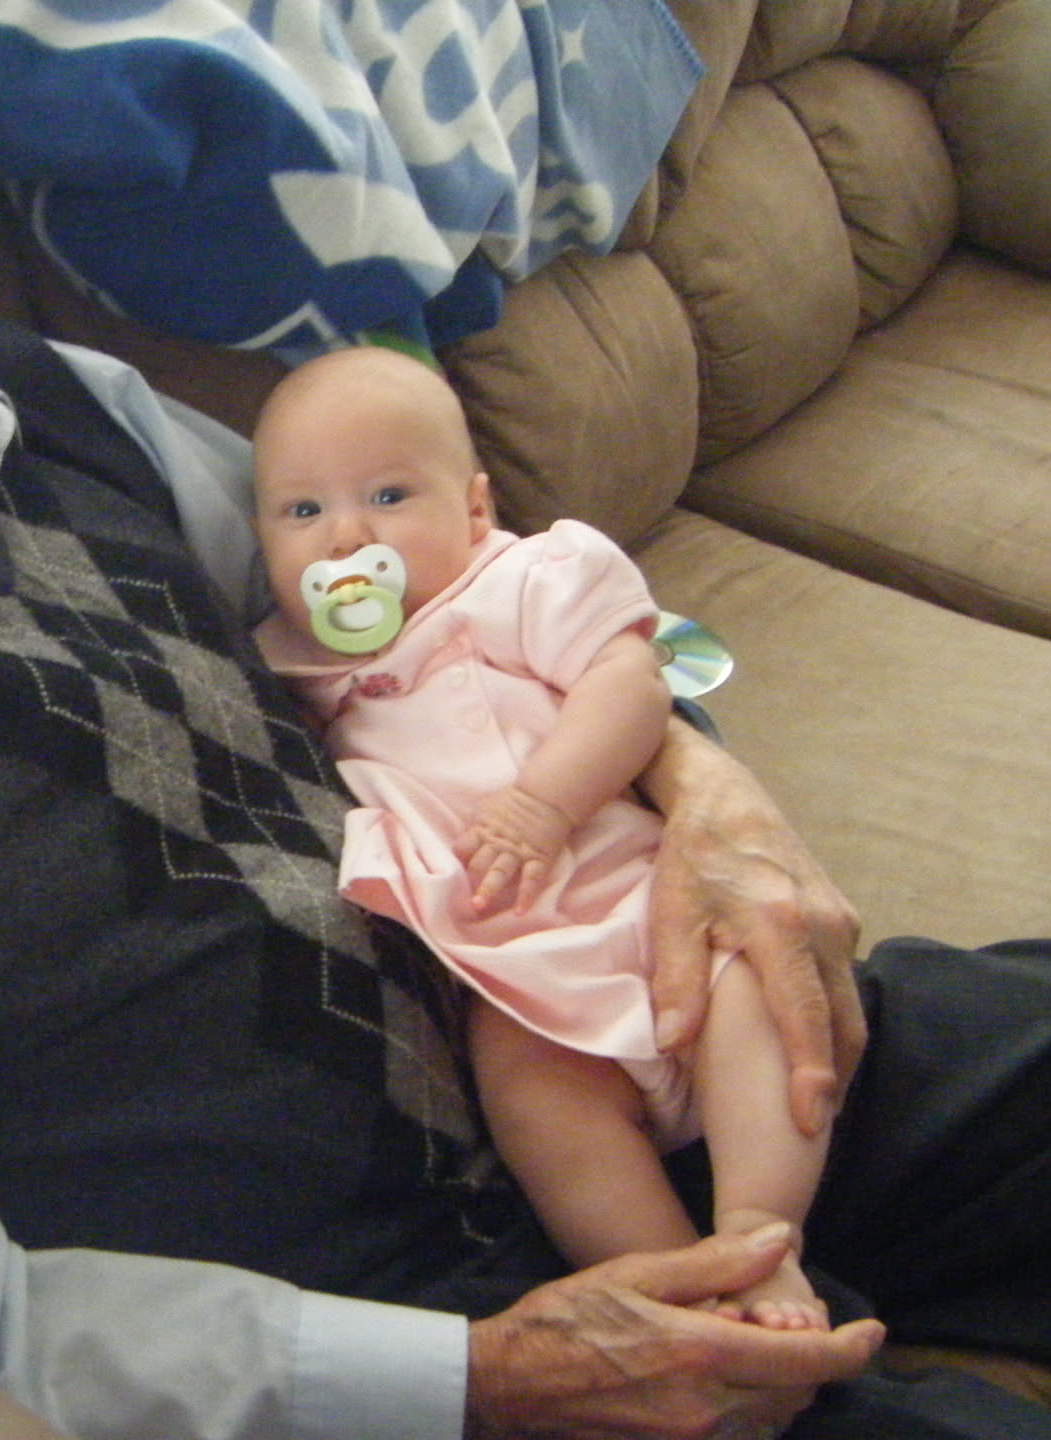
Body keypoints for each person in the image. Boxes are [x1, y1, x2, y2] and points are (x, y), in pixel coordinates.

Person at [0, 1, 1051, 1437]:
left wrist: (703, 789)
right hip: (409, 1327)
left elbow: (434, 608)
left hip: (607, 1010)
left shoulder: (42, 403)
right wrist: (484, 1379)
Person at [251, 345, 829, 1331]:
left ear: (475, 509)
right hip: (514, 965)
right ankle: (681, 1288)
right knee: (532, 1102)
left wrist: (543, 805)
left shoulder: (517, 581)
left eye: (388, 496)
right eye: (303, 511)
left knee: (755, 998)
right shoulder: (288, 667)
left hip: (648, 899)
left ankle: (759, 1236)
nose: (346, 536)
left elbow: (630, 682)